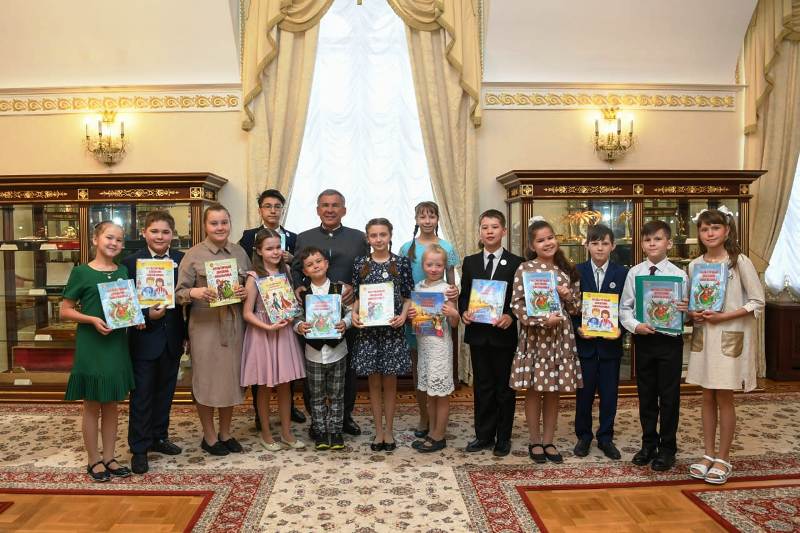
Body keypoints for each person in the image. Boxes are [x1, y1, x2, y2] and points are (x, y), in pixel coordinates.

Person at [686, 208, 764, 484]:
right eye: (704, 229)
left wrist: (725, 316)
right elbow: (693, 302)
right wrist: (693, 313)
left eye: (715, 228)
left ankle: (723, 457)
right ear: (699, 233)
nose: (710, 233)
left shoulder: (738, 262)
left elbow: (757, 301)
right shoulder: (695, 265)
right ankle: (707, 454)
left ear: (727, 230)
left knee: (724, 397)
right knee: (706, 396)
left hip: (729, 337)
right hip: (705, 338)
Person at [60, 221, 135, 481]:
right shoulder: (82, 272)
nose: (114, 243)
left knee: (112, 403)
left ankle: (110, 457)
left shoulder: (123, 271)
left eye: (119, 240)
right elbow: (65, 310)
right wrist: (91, 319)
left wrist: (135, 318)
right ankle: (94, 460)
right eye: (109, 237)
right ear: (95, 239)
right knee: (92, 404)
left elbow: (125, 307)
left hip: (116, 345)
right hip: (92, 345)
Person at [292, 189, 369, 438]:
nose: (330, 209)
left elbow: (366, 270)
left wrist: (354, 288)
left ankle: (344, 417)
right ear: (318, 209)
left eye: (335, 205)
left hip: (347, 312)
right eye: (325, 205)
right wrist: (298, 286)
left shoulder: (358, 237)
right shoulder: (304, 237)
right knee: (313, 370)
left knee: (346, 369)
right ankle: (316, 421)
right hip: (313, 315)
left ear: (344, 210)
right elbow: (295, 269)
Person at [176, 204, 250, 456]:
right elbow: (178, 293)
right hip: (204, 325)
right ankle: (209, 436)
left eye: (224, 222)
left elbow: (249, 285)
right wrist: (195, 292)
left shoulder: (239, 252)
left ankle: (225, 433)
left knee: (230, 380)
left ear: (230, 224)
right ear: (205, 226)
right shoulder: (193, 255)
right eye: (214, 223)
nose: (220, 227)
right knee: (206, 381)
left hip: (233, 323)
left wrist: (244, 291)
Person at [510, 218, 582, 464]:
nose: (547, 243)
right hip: (535, 338)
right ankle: (534, 440)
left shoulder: (568, 270)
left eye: (550, 237)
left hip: (560, 339)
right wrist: (542, 320)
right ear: (532, 246)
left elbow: (576, 308)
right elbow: (517, 305)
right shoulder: (525, 269)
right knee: (533, 389)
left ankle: (549, 440)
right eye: (541, 240)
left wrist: (568, 295)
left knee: (553, 390)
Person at [620, 220, 689, 471]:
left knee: (669, 396)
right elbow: (625, 307)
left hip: (669, 341)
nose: (652, 243)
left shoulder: (680, 275)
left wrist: (685, 310)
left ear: (668, 243)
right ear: (641, 244)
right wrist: (635, 325)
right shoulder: (635, 273)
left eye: (657, 239)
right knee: (646, 395)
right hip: (644, 340)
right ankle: (648, 444)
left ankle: (668, 448)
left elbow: (687, 314)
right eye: (647, 240)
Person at [122, 210, 186, 474]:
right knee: (142, 395)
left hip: (173, 337)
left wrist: (186, 335)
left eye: (165, 232)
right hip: (144, 338)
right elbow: (124, 301)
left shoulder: (182, 259)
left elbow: (185, 298)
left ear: (173, 234)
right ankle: (139, 448)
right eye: (155, 231)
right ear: (144, 233)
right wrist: (145, 314)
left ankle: (159, 436)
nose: (160, 236)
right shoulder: (130, 262)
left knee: (165, 391)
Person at [459, 209, 523, 457]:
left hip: (503, 335)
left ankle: (503, 438)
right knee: (482, 386)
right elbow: (465, 295)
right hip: (478, 334)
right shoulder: (470, 262)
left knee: (504, 389)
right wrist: (464, 312)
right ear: (480, 232)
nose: (489, 231)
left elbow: (520, 299)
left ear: (503, 231)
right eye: (485, 227)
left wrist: (511, 316)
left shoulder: (516, 263)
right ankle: (483, 435)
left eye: (494, 227)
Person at [238, 189, 305, 429]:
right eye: (268, 206)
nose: (275, 252)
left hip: (284, 327)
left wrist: (295, 306)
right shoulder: (251, 255)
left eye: (277, 206)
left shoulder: (290, 252)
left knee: (286, 379)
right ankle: (263, 424)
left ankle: (287, 426)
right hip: (262, 327)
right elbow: (247, 309)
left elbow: (296, 280)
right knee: (263, 381)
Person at [398, 201, 460, 438]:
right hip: (415, 317)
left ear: (437, 219)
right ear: (416, 219)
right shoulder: (407, 248)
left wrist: (454, 300)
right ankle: (424, 416)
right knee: (420, 369)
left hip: (440, 318)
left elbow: (452, 283)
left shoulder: (447, 247)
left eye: (431, 216)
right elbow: (402, 283)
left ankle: (438, 422)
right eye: (422, 217)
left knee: (437, 369)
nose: (427, 221)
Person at [351, 218, 413, 451]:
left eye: (383, 235)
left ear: (390, 236)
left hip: (392, 331)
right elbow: (357, 296)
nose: (378, 239)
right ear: (368, 238)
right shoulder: (360, 263)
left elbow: (407, 296)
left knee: (390, 382)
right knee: (373, 383)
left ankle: (389, 431)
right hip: (368, 333)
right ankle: (378, 431)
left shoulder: (401, 263)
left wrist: (403, 316)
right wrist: (354, 314)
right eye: (374, 235)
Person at [571, 224, 628, 460]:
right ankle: (583, 436)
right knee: (584, 395)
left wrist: (621, 329)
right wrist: (577, 328)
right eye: (595, 243)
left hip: (610, 347)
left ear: (613, 246)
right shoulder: (576, 271)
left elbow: (627, 307)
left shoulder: (622, 273)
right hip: (585, 346)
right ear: (586, 245)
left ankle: (605, 437)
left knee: (609, 395)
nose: (600, 248)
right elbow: (570, 308)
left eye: (605, 243)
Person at [293, 246, 351, 450]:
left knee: (337, 395)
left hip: (338, 351)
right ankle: (320, 431)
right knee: (316, 396)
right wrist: (300, 326)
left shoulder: (340, 290)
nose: (315, 266)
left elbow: (351, 312)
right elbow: (296, 318)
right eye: (310, 264)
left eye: (318, 261)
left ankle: (335, 431)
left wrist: (346, 322)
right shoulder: (302, 294)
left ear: (326, 264)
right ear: (305, 271)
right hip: (314, 353)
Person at [408, 244, 460, 453]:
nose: (434, 269)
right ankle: (431, 430)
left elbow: (454, 323)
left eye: (438, 265)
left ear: (444, 266)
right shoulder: (418, 287)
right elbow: (415, 317)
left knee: (441, 394)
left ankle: (439, 435)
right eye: (429, 264)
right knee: (430, 392)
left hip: (440, 348)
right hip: (424, 348)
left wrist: (452, 314)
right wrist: (412, 315)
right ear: (423, 265)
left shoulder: (447, 289)